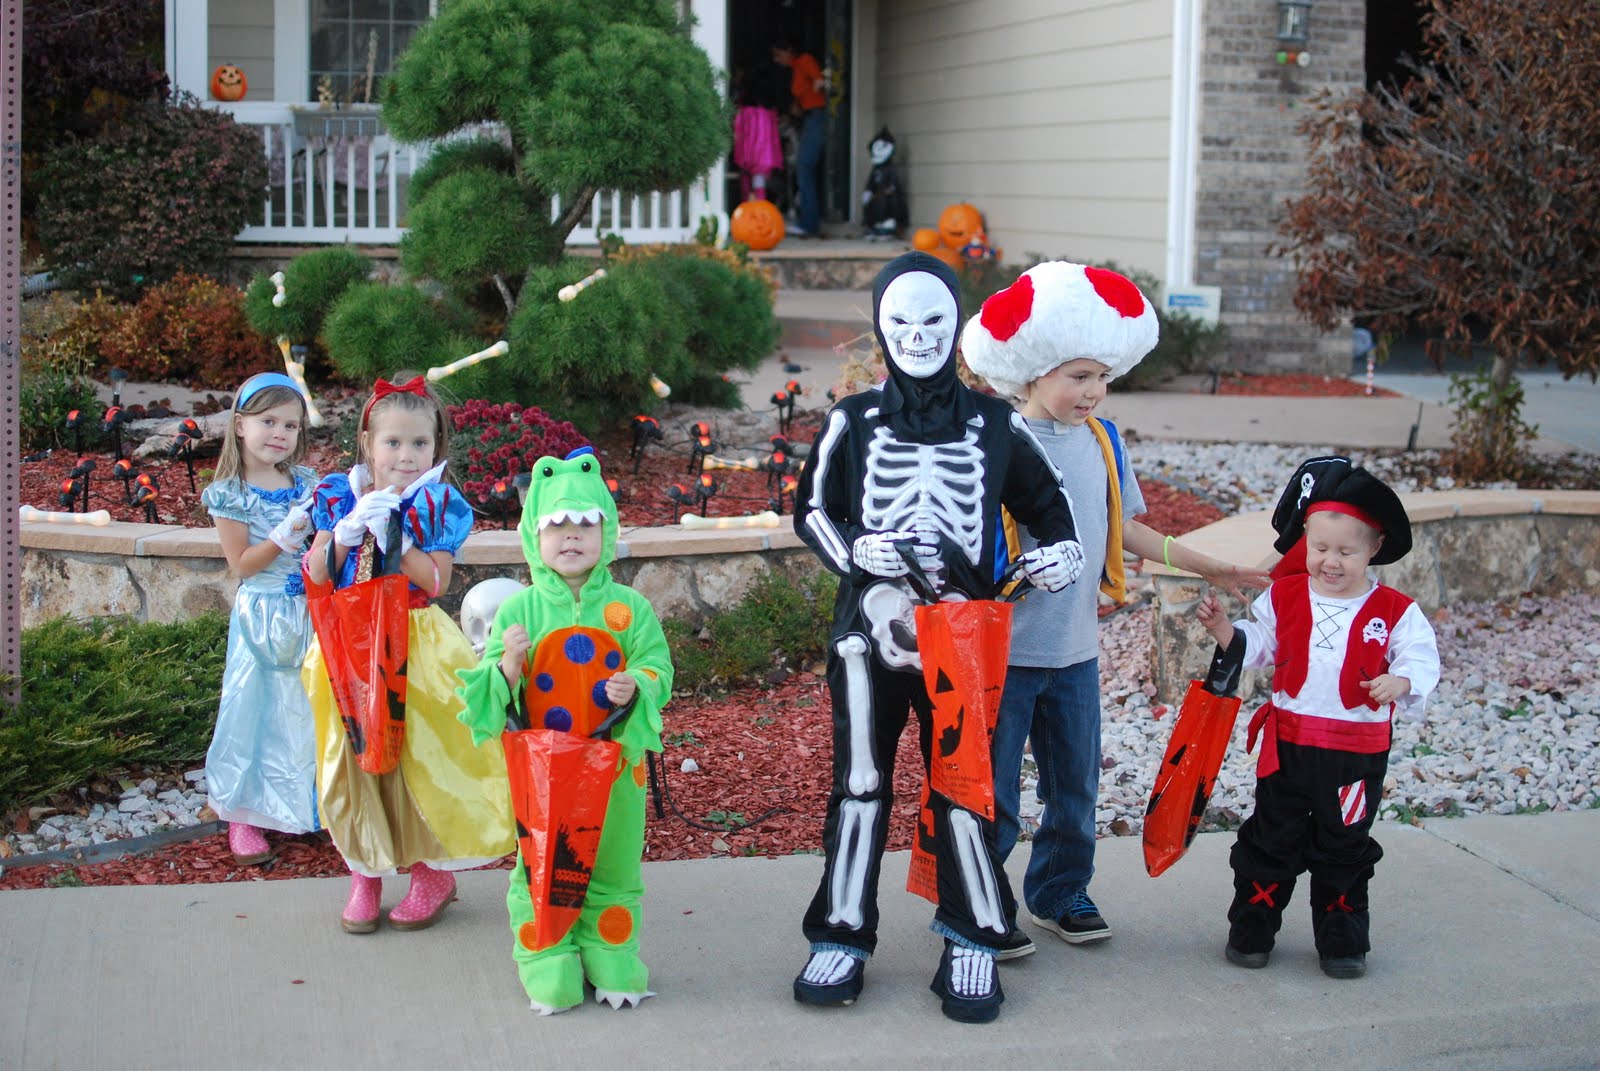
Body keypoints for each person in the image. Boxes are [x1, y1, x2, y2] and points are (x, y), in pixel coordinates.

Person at [791, 250, 1086, 1023]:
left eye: (933, 320)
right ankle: (842, 931)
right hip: (869, 632)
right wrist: (856, 549)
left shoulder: (995, 422)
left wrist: (1059, 551)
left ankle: (972, 934)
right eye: (901, 323)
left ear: (956, 323)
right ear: (881, 331)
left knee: (965, 786)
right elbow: (812, 511)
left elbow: (1050, 507)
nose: (917, 337)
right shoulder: (852, 421)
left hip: (963, 635)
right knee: (859, 785)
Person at [961, 261, 1273, 958]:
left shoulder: (1103, 441)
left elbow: (1125, 527)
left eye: (1103, 375)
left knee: (1074, 791)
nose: (1095, 390)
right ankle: (979, 901)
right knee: (995, 796)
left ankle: (1058, 890)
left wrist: (1206, 562)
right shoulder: (997, 443)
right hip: (1004, 656)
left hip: (1073, 654)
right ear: (1034, 373)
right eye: (1078, 376)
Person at [1196, 462, 1439, 979]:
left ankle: (1342, 941)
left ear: (1374, 549)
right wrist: (1224, 629)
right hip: (1287, 747)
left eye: (1346, 552)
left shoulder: (1395, 610)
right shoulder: (1284, 598)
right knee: (1270, 837)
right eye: (1319, 548)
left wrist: (1401, 681)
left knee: (1343, 847)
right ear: (1304, 539)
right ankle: (1253, 930)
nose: (1330, 562)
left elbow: (1420, 659)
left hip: (1354, 756)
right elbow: (1259, 646)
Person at [456, 448, 673, 1015]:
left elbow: (658, 665)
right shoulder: (519, 612)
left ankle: (611, 945)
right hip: (543, 771)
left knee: (613, 857)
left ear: (607, 531)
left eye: (584, 525)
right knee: (545, 857)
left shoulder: (630, 609)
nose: (571, 538)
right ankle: (546, 949)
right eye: (556, 527)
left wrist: (637, 682)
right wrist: (507, 666)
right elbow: (485, 691)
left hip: (616, 768)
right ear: (534, 537)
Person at [302, 373, 513, 934]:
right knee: (352, 758)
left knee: (414, 759)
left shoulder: (435, 502)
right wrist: (346, 534)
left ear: (436, 447)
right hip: (349, 643)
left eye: (419, 443)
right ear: (367, 444)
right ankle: (364, 874)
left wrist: (402, 537)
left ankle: (429, 875)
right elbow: (318, 573)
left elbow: (438, 581)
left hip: (412, 640)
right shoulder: (336, 494)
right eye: (392, 442)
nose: (405, 454)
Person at [202, 371, 323, 866]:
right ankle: (244, 814)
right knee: (253, 710)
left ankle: (306, 805)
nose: (280, 433)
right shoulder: (230, 492)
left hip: (310, 613)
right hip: (262, 616)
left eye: (291, 426)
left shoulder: (307, 483)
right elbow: (242, 566)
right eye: (268, 420)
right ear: (238, 425)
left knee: (306, 709)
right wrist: (287, 532)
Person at [772, 39, 826, 237]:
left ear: (789, 50)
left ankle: (809, 224)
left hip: (817, 116)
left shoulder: (804, 61)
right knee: (804, 169)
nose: (777, 60)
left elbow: (818, 79)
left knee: (804, 166)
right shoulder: (795, 68)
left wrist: (817, 88)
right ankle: (807, 221)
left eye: (779, 54)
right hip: (809, 117)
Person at [733, 61, 784, 202]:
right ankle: (760, 211)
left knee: (747, 187)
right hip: (764, 158)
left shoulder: (744, 111)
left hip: (747, 155)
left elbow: (737, 132)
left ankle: (750, 213)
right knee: (759, 186)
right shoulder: (770, 113)